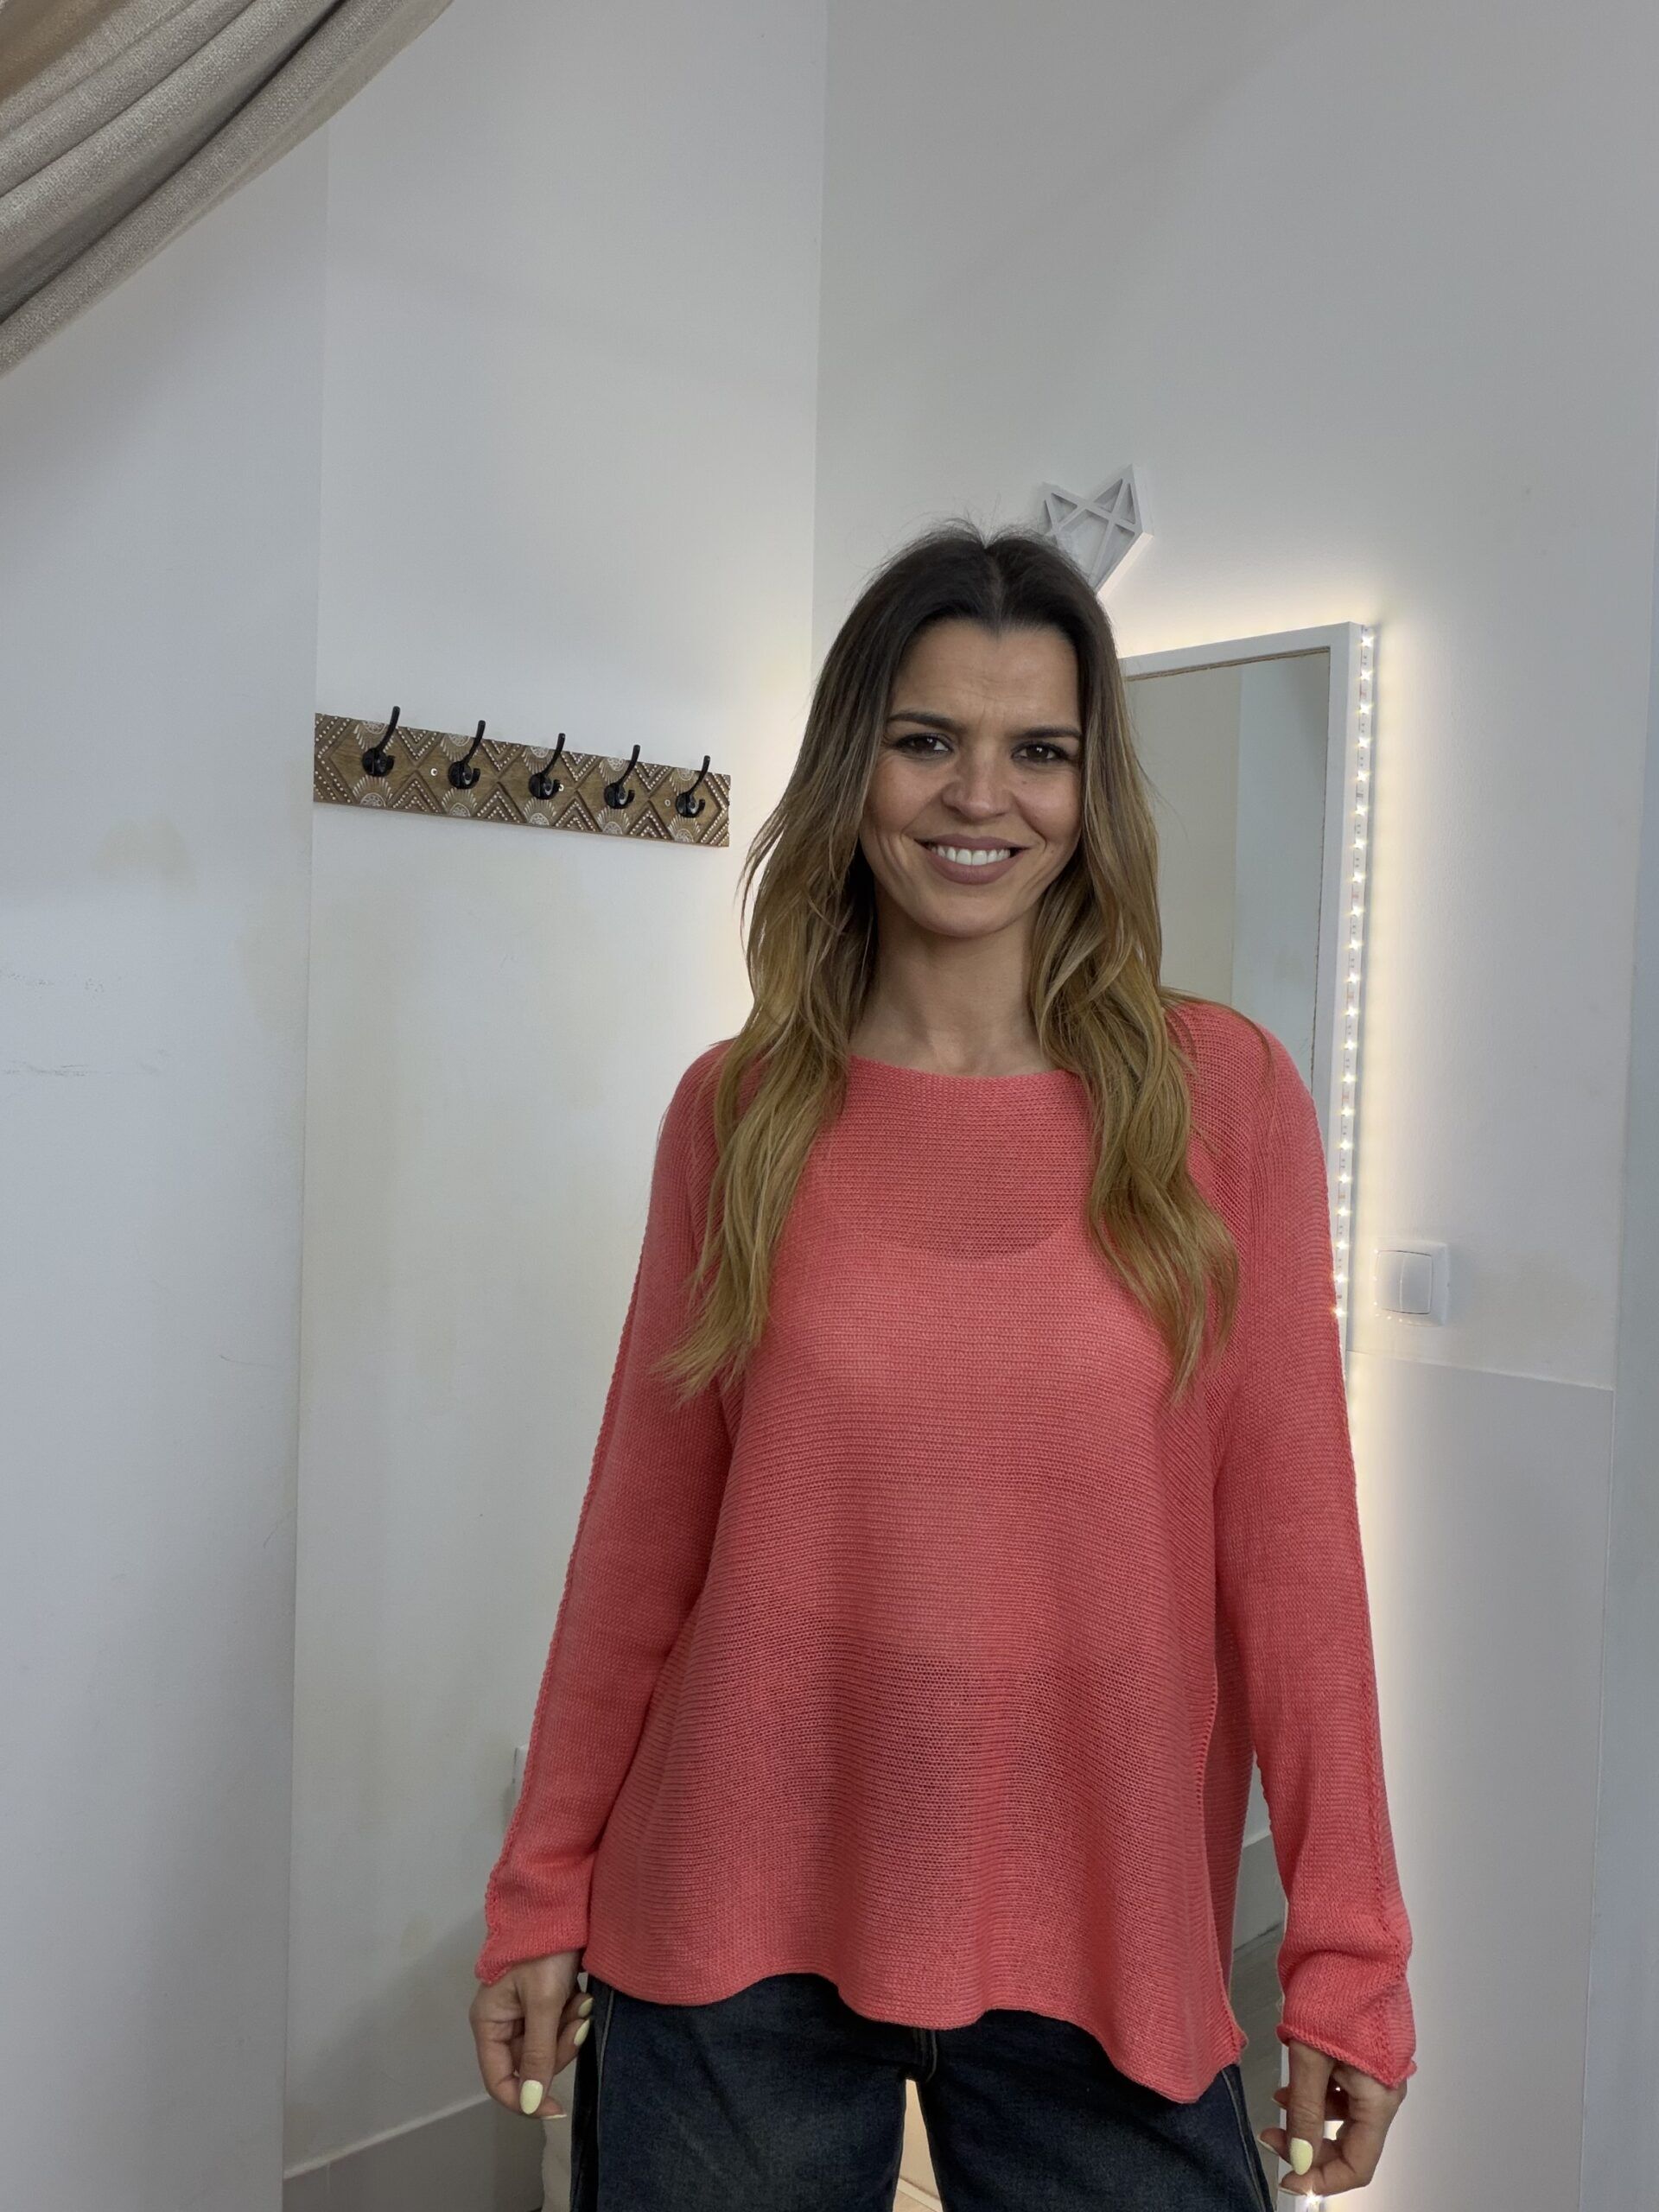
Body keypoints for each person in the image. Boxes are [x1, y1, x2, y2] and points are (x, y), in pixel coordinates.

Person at [468, 520, 1416, 2207]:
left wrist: (1348, 1955)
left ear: (1091, 790)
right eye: (927, 739)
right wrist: (542, 1886)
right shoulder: (740, 1110)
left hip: (1101, 1926)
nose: (983, 794)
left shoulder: (1226, 1102)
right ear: (856, 766)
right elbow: (638, 1542)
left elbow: (1296, 1564)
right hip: (735, 1912)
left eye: (1039, 749)